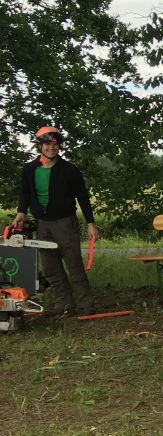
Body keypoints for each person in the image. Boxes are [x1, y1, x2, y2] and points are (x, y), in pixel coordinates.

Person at [12, 126, 99, 317]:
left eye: (55, 144)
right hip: (42, 224)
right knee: (51, 268)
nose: (52, 148)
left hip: (65, 223)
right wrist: (21, 212)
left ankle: (86, 306)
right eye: (48, 144)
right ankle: (65, 305)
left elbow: (83, 197)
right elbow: (25, 193)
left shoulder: (69, 170)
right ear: (39, 145)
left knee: (74, 265)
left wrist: (91, 223)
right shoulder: (29, 169)